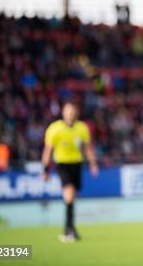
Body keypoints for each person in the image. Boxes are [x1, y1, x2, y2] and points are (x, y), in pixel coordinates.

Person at [42, 101, 98, 242]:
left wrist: (93, 163)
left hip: (77, 164)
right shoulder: (54, 129)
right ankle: (69, 229)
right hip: (62, 164)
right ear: (63, 112)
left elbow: (87, 148)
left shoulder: (82, 128)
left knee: (72, 196)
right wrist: (45, 169)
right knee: (69, 192)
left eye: (73, 111)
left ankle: (69, 228)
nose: (71, 114)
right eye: (68, 111)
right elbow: (48, 151)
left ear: (76, 113)